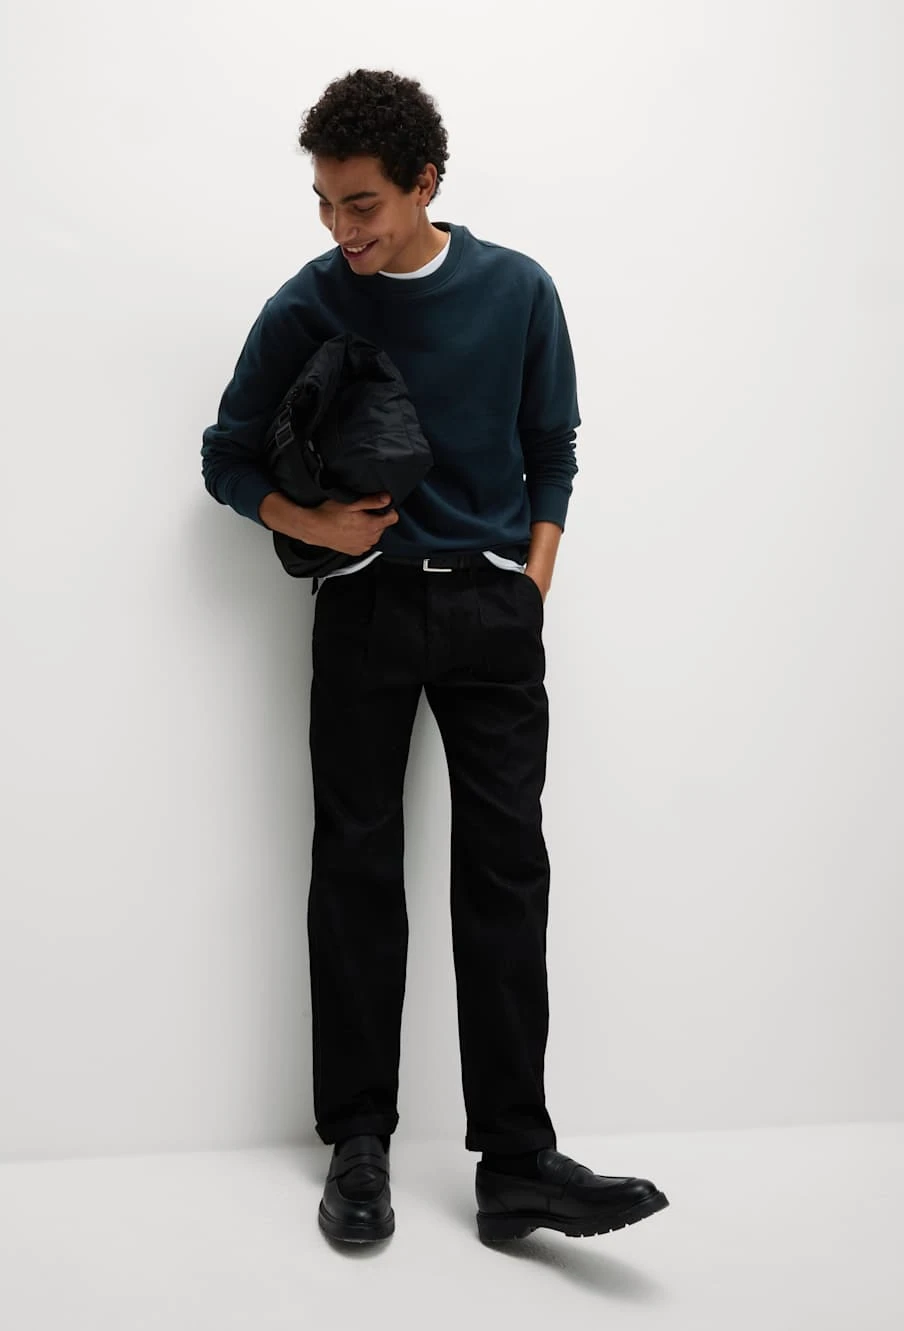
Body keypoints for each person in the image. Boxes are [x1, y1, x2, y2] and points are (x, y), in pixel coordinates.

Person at [201, 68, 669, 1245]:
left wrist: (531, 578)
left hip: (491, 611)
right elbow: (225, 455)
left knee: (506, 870)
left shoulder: (516, 290)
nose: (340, 228)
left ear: (424, 183)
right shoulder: (309, 302)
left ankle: (516, 1160)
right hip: (363, 610)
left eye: (360, 203)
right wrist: (312, 527)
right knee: (356, 866)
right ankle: (358, 1145)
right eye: (323, 203)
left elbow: (551, 446)